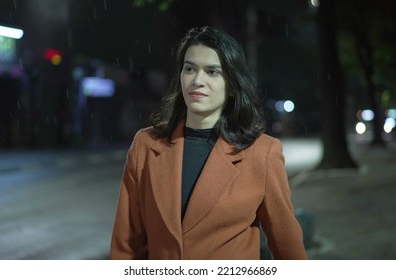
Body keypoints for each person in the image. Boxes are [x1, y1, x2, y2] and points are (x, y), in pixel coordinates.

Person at [110, 26, 307, 260]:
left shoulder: (262, 153)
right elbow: (126, 244)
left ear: (232, 85)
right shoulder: (146, 145)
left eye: (212, 72)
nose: (197, 80)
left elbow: (287, 246)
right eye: (190, 69)